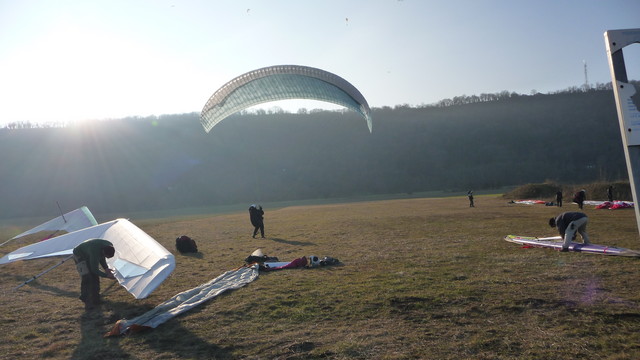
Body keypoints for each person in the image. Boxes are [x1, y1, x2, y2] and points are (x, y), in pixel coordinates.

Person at [72, 238, 116, 310]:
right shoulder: (95, 251)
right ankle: (86, 299)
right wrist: (107, 275)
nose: (105, 257)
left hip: (89, 252)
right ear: (103, 251)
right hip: (79, 254)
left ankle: (96, 299)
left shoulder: (108, 245)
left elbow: (102, 257)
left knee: (95, 277)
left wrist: (106, 268)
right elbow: (94, 269)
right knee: (87, 276)